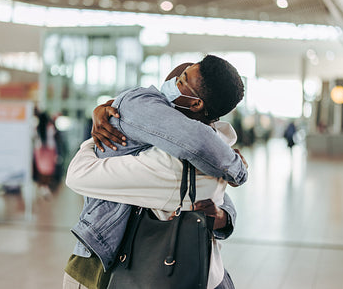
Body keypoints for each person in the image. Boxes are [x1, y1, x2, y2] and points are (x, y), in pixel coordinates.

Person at [64, 55, 248, 289]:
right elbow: (216, 197)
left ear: (195, 104)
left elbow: (78, 175)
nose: (166, 90)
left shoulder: (171, 163)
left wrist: (96, 138)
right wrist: (224, 216)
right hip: (207, 272)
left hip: (109, 268)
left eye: (181, 80)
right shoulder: (214, 148)